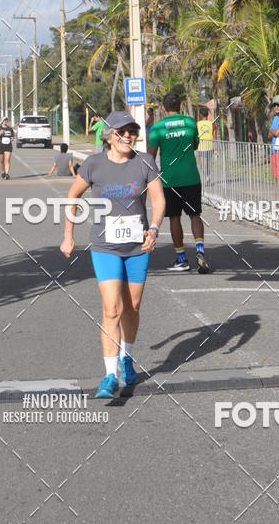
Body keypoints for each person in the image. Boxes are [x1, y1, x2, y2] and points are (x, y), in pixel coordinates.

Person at [60, 111, 165, 399]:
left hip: (138, 246)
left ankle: (126, 357)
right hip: (105, 245)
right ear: (109, 136)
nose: (128, 136)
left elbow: (158, 200)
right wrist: (68, 235)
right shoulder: (94, 164)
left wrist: (154, 229)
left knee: (132, 306)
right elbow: (72, 196)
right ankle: (109, 375)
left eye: (132, 131)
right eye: (122, 131)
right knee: (111, 309)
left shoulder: (145, 162)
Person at [148, 93, 210, 274]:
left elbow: (150, 155)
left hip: (170, 180)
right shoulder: (191, 122)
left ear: (163, 107)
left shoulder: (158, 127)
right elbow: (195, 145)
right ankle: (200, 251)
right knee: (195, 215)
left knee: (174, 217)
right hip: (191, 177)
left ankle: (181, 258)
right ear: (181, 106)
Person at [196, 107, 214, 185]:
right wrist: (215, 149)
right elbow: (214, 136)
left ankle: (207, 176)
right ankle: (208, 176)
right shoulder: (211, 123)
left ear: (200, 115)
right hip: (210, 146)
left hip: (201, 147)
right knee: (207, 163)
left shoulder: (197, 124)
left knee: (202, 164)